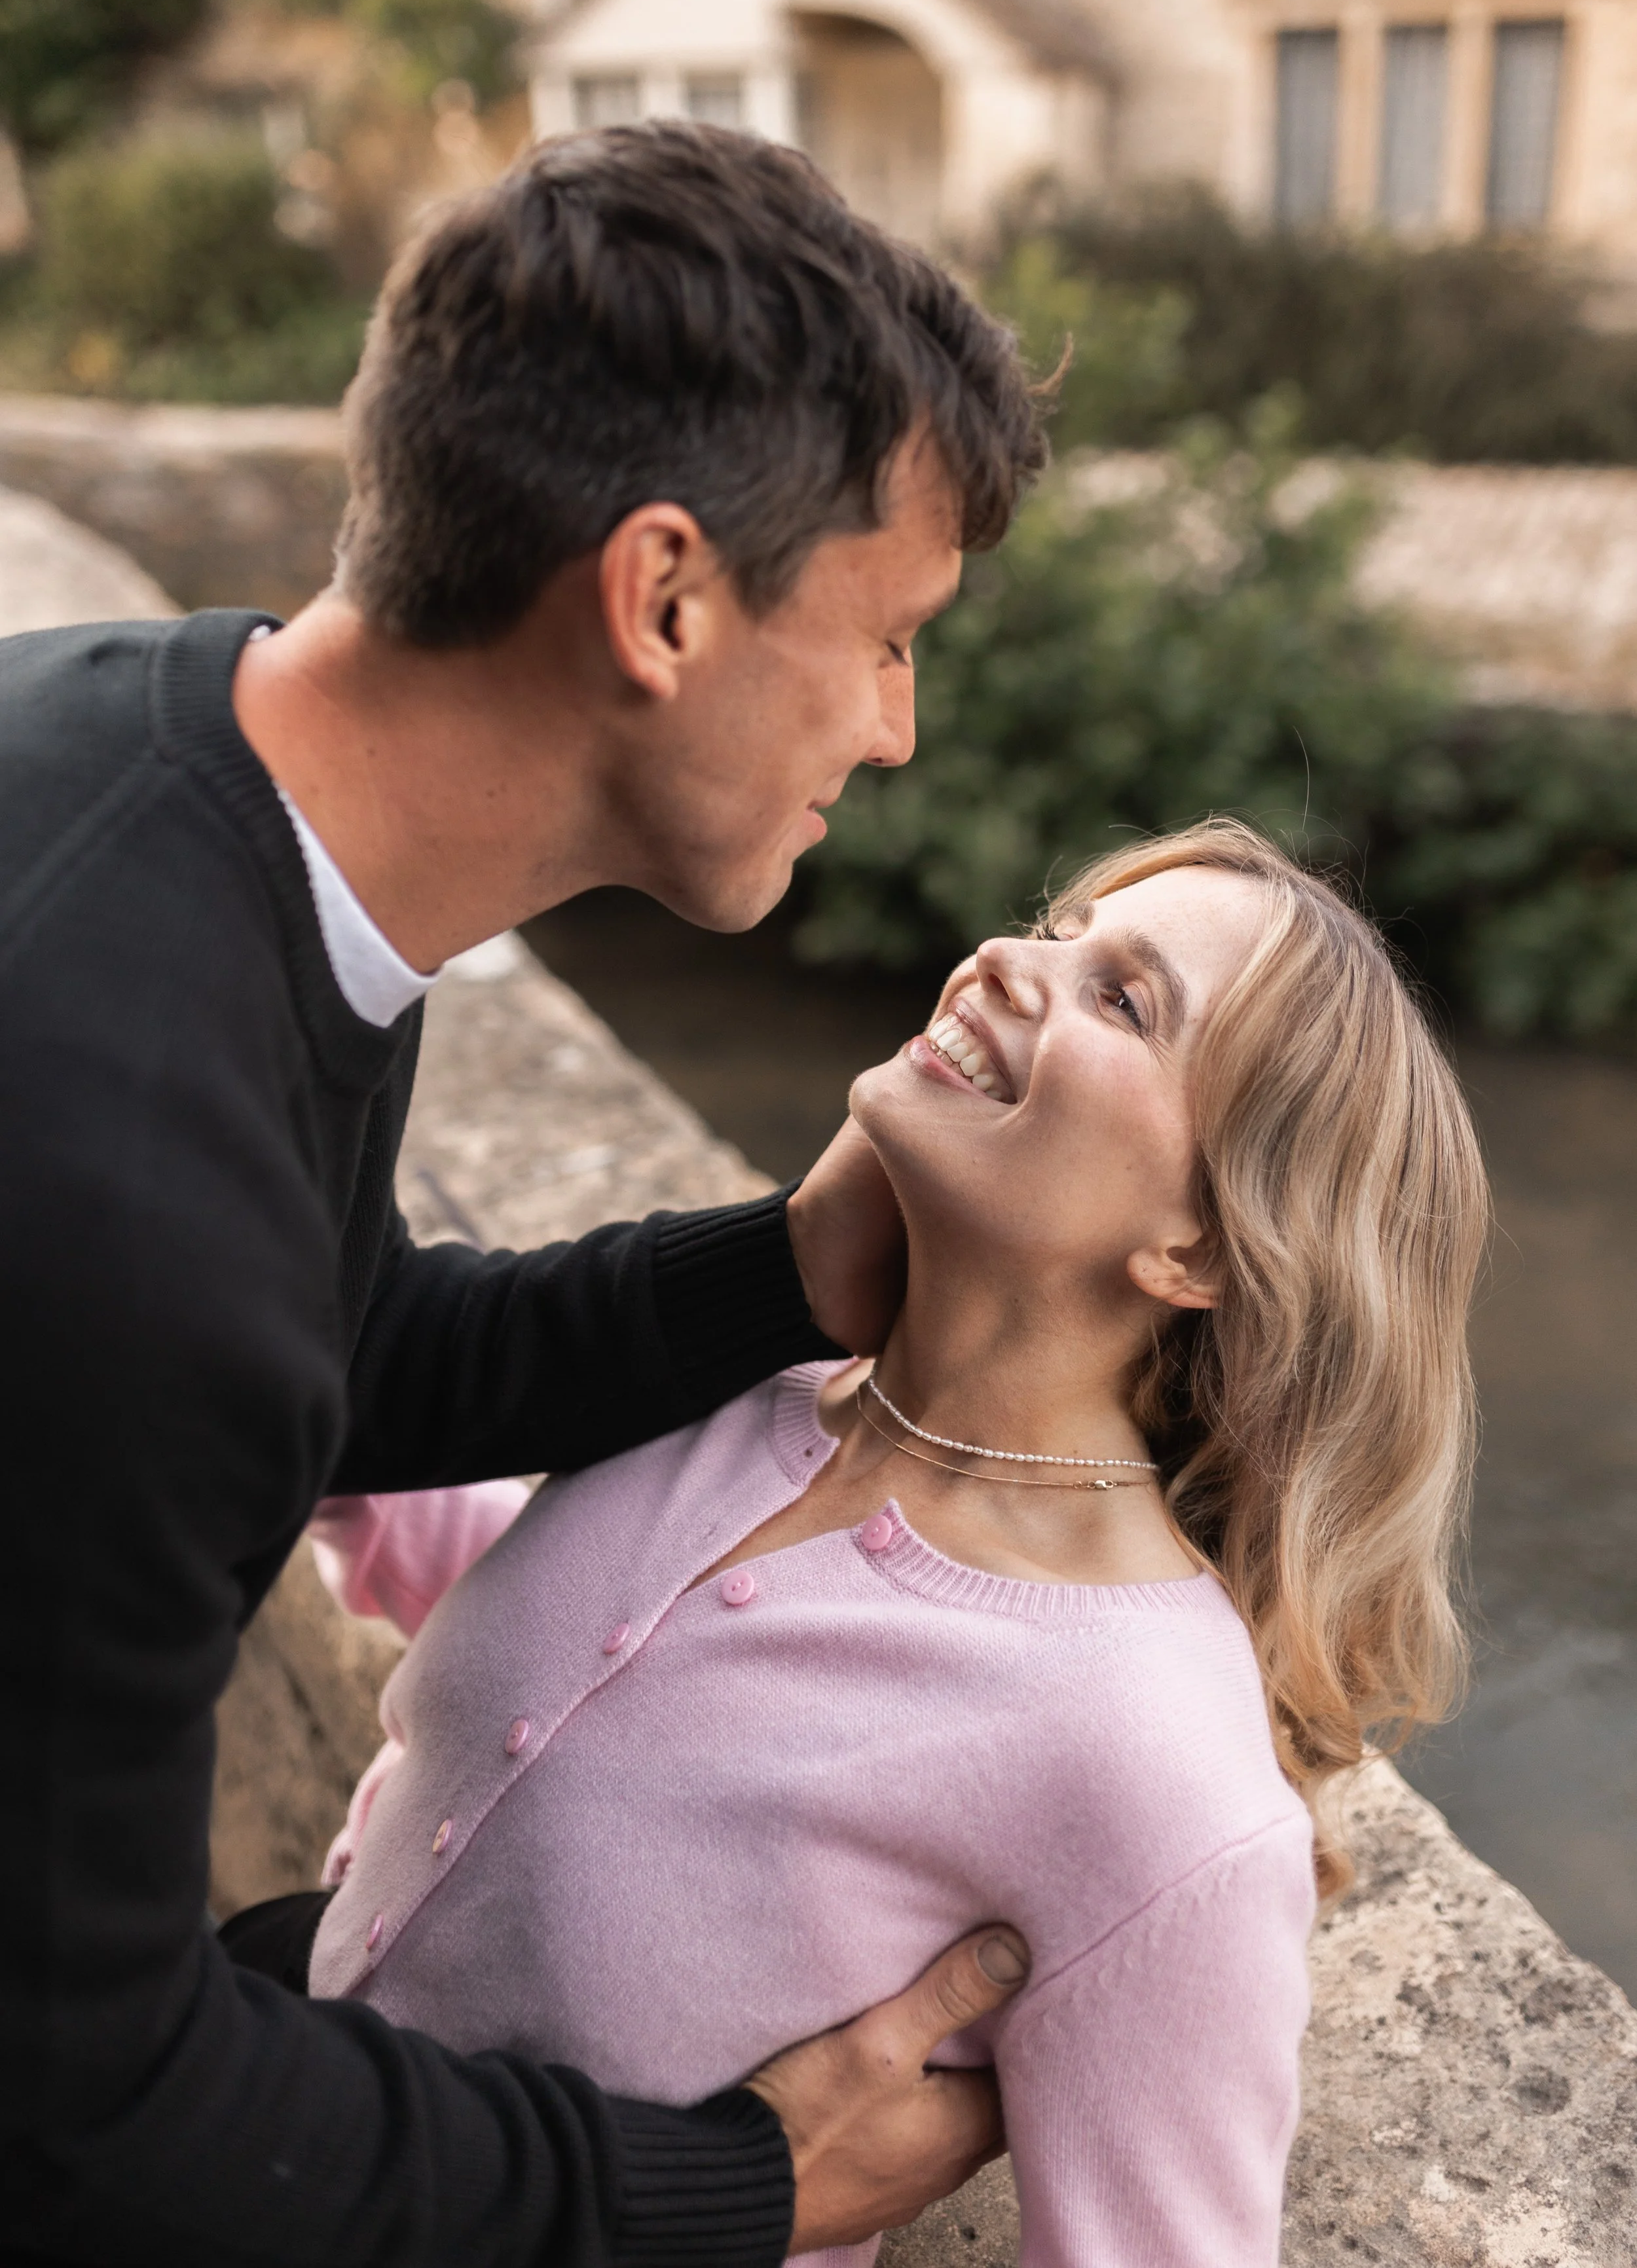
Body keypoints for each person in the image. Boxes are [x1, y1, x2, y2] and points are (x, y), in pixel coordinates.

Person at [0, 123, 1048, 2268]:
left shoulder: (145, 750)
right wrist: (743, 2188)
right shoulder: (119, 1181)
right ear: (663, 599)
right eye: (885, 637)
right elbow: (79, 2116)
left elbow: (330, 1345)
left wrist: (783, 1269)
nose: (899, 730)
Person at [298, 821, 1492, 2268]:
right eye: (1053, 930)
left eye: (1123, 998)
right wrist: (296, 1412)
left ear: (1197, 1249)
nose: (1005, 961)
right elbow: (607, 1655)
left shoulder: (1152, 1759)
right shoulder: (737, 1385)